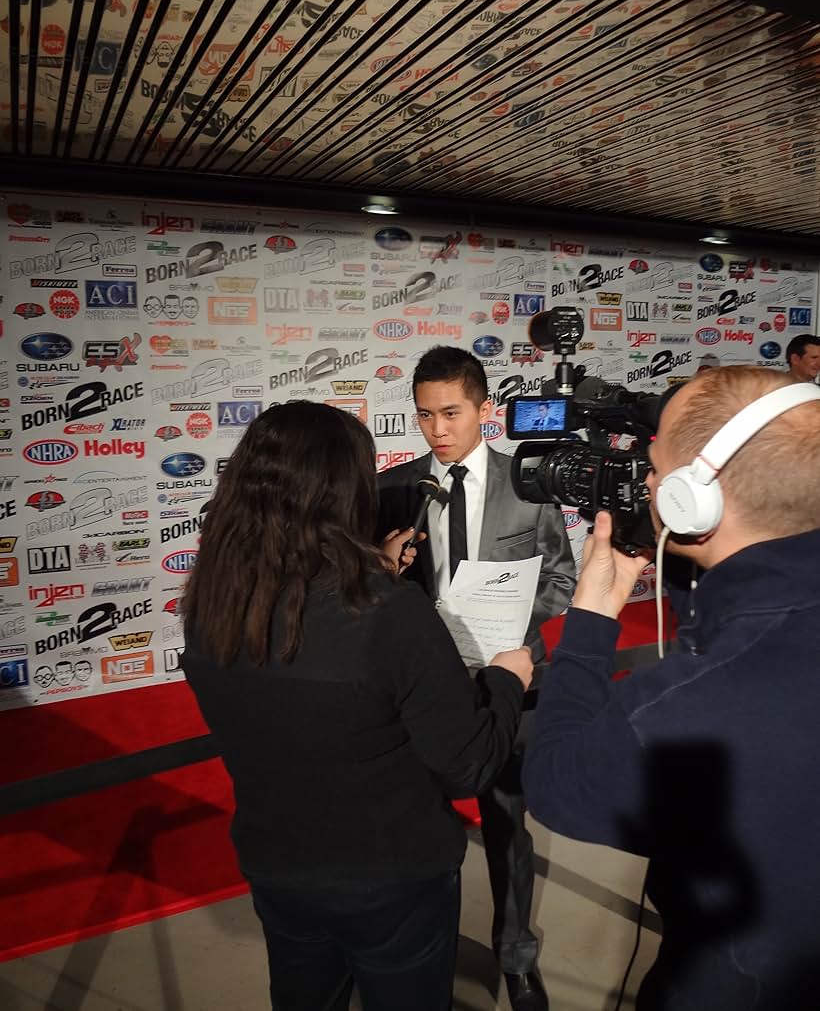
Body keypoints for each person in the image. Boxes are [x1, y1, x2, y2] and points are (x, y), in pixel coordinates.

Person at [181, 400, 533, 1011]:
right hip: (392, 879)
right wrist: (506, 680)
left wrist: (366, 570)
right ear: (344, 491)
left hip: (278, 866)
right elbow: (467, 764)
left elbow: (300, 653)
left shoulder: (211, 603)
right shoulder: (392, 615)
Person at [523, 366, 820, 1010]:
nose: (646, 485)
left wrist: (591, 622)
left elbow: (557, 785)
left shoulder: (684, 708)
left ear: (695, 499)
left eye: (654, 469)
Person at [378, 346, 576, 1011]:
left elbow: (562, 578)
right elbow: (368, 592)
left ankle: (515, 955)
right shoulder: (394, 488)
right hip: (416, 688)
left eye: (452, 412)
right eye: (426, 415)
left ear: (485, 410)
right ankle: (414, 953)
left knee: (507, 826)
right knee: (411, 829)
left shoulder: (529, 484)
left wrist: (512, 615)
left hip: (508, 682)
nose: (438, 429)